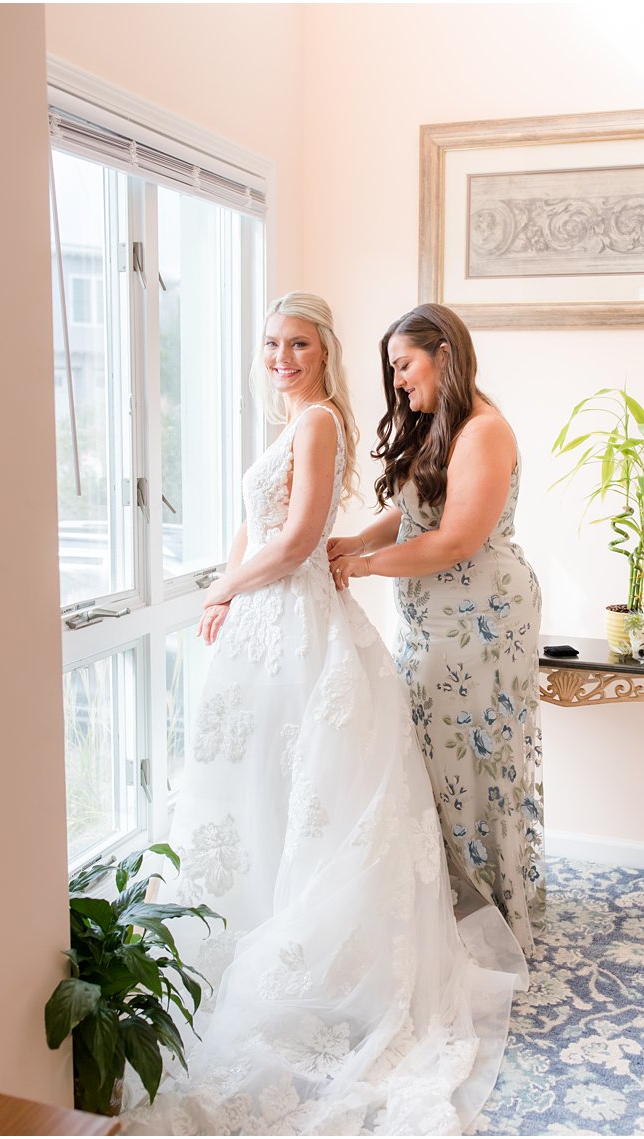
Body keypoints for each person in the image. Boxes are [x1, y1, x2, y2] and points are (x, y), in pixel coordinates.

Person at [122, 293, 524, 1137]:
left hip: (467, 622)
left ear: (441, 354)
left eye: (297, 342)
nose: (281, 355)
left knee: (455, 775)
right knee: (279, 779)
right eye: (270, 342)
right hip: (352, 620)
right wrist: (263, 578)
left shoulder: (356, 424)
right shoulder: (317, 424)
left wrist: (252, 580)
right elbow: (397, 512)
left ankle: (498, 910)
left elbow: (433, 537)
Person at [329, 303, 544, 955]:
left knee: (467, 755)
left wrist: (364, 567)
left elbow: (453, 541)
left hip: (483, 620)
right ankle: (442, 903)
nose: (396, 380)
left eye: (404, 364)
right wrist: (353, 541)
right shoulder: (435, 426)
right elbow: (411, 516)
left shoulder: (484, 430)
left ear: (443, 354)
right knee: (431, 751)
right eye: (392, 369)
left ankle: (483, 911)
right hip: (433, 622)